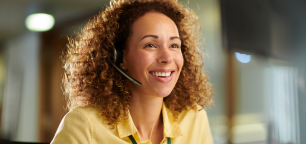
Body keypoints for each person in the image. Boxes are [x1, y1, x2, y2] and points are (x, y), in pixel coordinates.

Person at [51, 0, 214, 144]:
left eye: (174, 45)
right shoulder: (84, 126)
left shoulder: (195, 120)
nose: (167, 58)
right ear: (119, 57)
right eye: (150, 45)